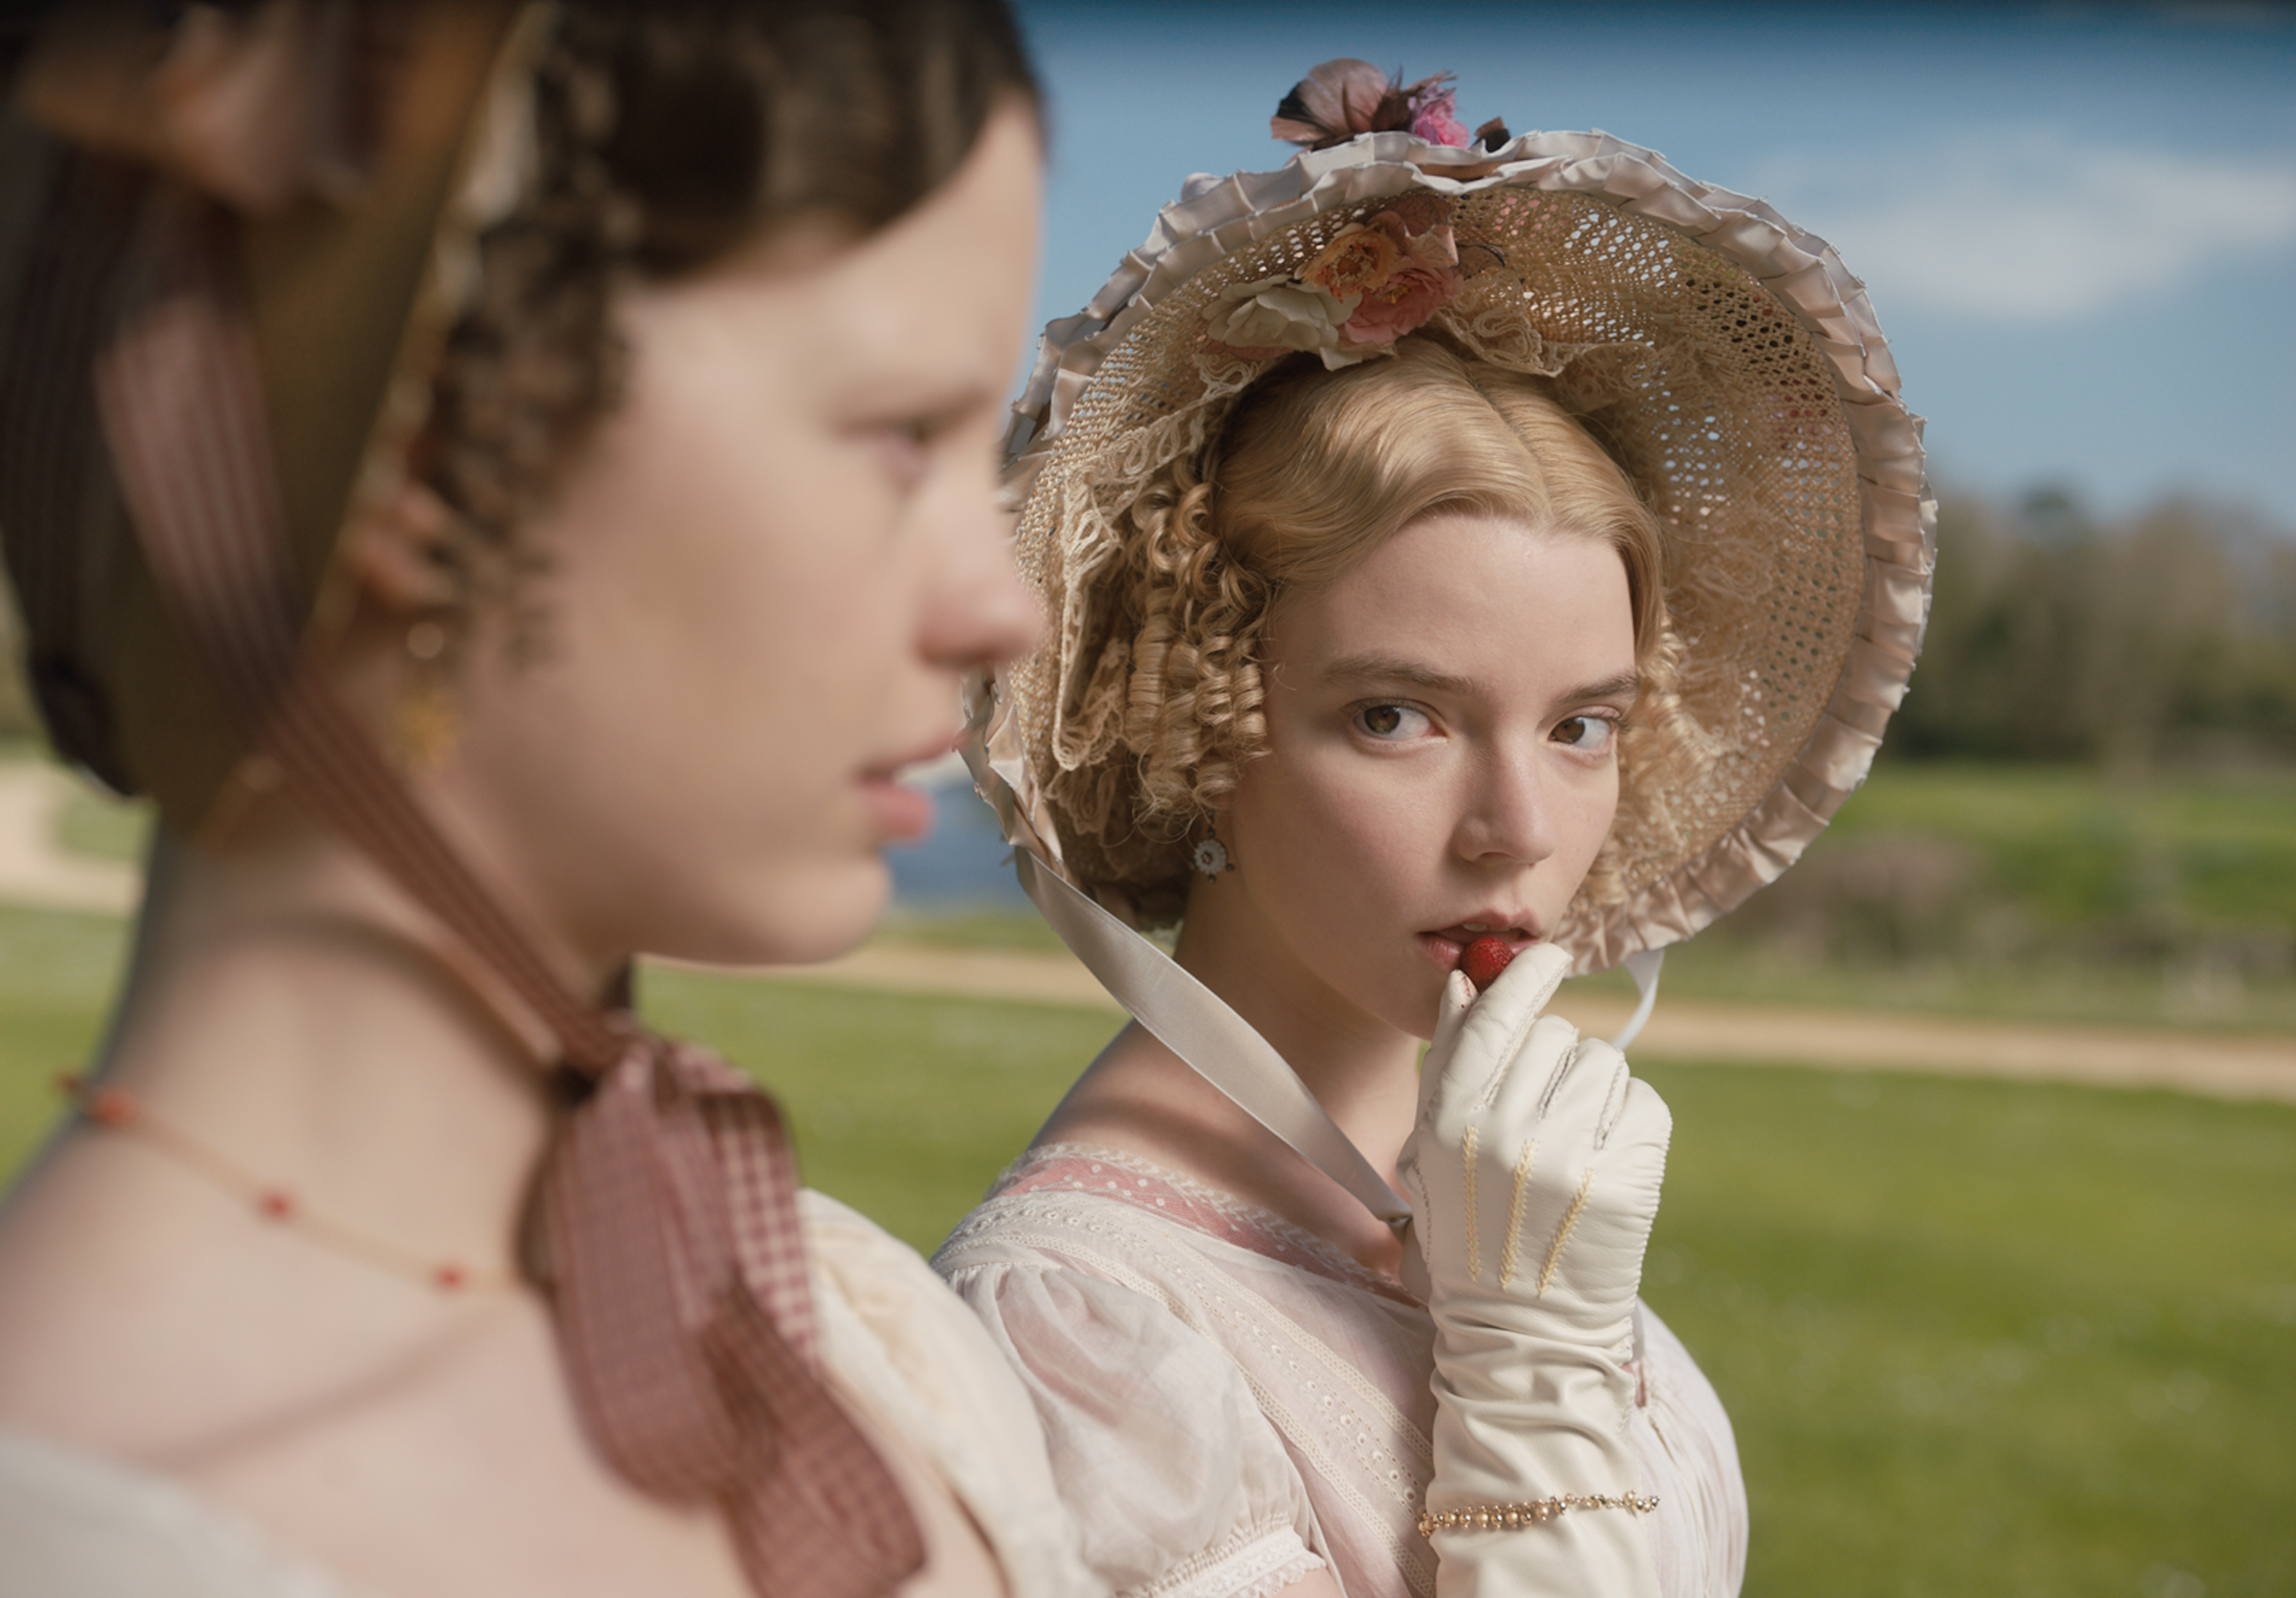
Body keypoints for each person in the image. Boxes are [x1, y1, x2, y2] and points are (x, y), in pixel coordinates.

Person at [0, 4, 1100, 1596]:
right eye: (897, 437)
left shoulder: (855, 1328)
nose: (1007, 612)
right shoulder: (94, 1535)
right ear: (430, 451)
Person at [935, 59, 1934, 1598]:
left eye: (1580, 725)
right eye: (1398, 716)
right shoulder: (1085, 1338)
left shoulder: (1495, 1211)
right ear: (1195, 725)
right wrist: (1529, 1386)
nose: (1518, 831)